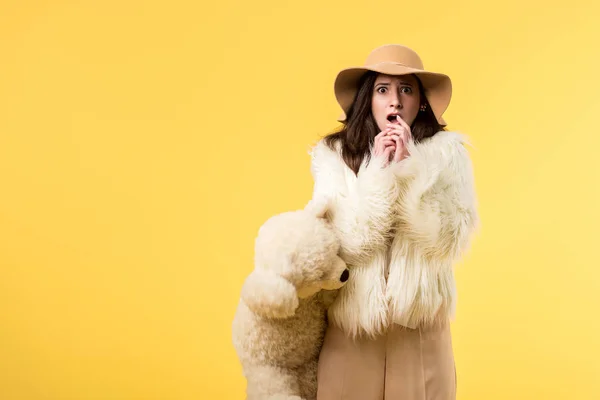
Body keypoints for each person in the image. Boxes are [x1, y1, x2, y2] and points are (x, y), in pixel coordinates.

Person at [308, 44, 479, 399]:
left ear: (422, 102)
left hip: (419, 328)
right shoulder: (334, 156)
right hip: (351, 326)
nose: (395, 101)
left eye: (406, 90)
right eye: (382, 90)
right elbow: (337, 244)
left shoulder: (449, 155)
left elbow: (450, 239)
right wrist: (381, 175)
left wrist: (410, 170)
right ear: (367, 100)